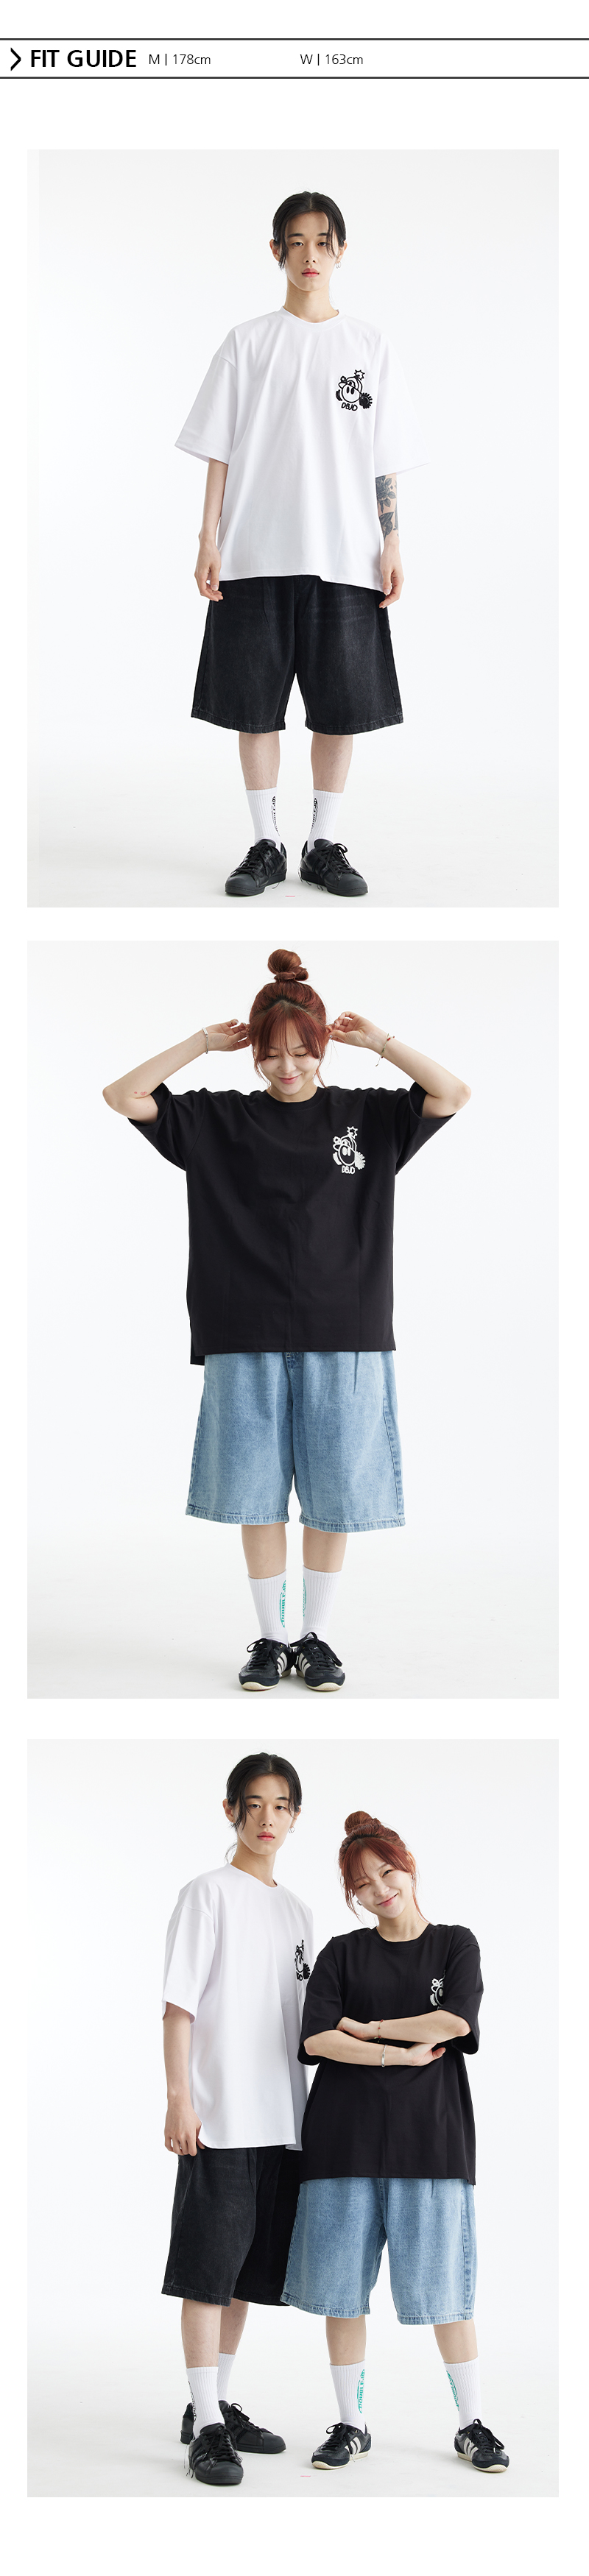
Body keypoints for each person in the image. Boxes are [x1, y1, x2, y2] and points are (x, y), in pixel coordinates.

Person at [103, 948, 470, 1691]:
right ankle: (271, 1640)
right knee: (255, 1494)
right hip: (243, 1331)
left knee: (334, 1497)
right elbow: (123, 1094)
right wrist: (202, 1042)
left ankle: (314, 1637)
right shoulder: (216, 1119)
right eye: (272, 1054)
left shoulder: (367, 1116)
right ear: (254, 1055)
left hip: (348, 1333)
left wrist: (380, 1041)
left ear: (323, 1047)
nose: (287, 1067)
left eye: (302, 1051)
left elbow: (452, 1092)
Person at [176, 188, 426, 897]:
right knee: (253, 705)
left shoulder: (369, 346)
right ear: (276, 251)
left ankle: (322, 843)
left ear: (341, 251)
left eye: (322, 241)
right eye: (296, 241)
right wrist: (208, 537)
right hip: (255, 550)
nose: (310, 255)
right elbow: (219, 450)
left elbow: (383, 457)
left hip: (346, 552)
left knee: (340, 706)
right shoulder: (248, 343)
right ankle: (266, 842)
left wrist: (393, 540)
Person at [281, 1809, 509, 2479]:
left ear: (408, 1868)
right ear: (351, 1895)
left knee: (445, 2293)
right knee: (341, 2293)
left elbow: (454, 2021)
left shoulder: (455, 1944)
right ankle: (351, 2424)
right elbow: (317, 2038)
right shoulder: (342, 1953)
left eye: (387, 1873)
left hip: (431, 2145)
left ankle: (471, 2423)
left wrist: (371, 2028)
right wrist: (399, 2055)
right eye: (363, 1884)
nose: (380, 1890)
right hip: (342, 2144)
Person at [162, 1749, 313, 2489]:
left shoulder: (299, 1912)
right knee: (207, 2273)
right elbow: (178, 2006)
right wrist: (179, 2097)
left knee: (246, 2275)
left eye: (280, 1805)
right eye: (253, 1804)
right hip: (220, 2117)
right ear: (231, 1811)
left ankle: (212, 2404)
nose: (266, 1818)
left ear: (294, 1816)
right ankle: (205, 2424)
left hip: (283, 2120)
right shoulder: (206, 1894)